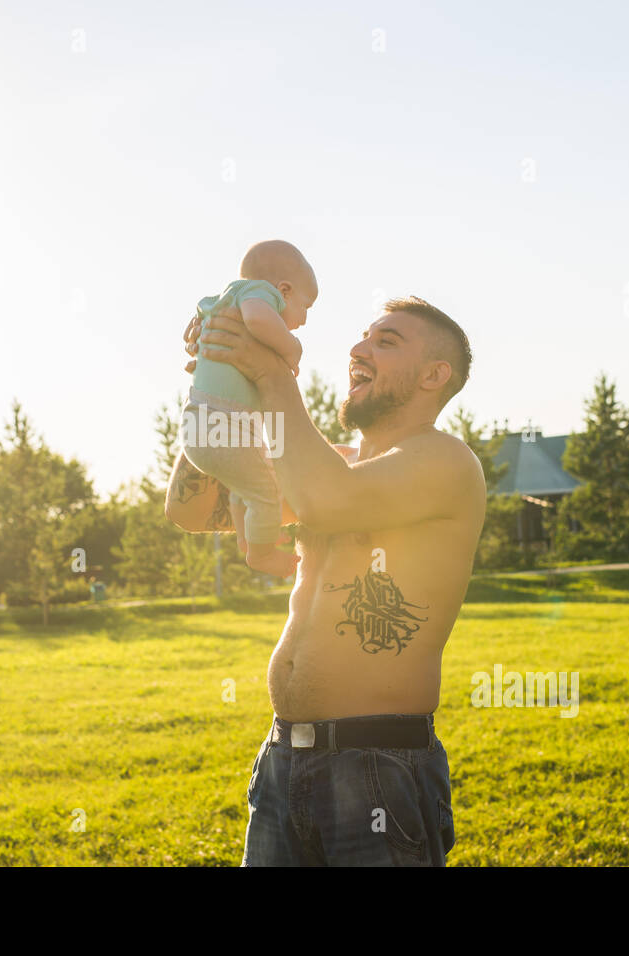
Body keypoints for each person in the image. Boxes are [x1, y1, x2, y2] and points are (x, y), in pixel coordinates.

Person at [165, 294, 486, 866]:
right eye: (363, 337)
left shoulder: (447, 463)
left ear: (435, 375)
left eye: (387, 342)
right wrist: (220, 395)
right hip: (283, 757)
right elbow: (192, 511)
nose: (359, 349)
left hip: (375, 768)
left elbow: (330, 500)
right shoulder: (323, 463)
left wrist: (267, 371)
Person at [182, 240, 318, 578]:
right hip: (223, 423)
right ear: (283, 290)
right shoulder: (259, 294)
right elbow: (259, 319)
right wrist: (292, 348)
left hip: (200, 422)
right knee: (267, 492)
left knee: (248, 485)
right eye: (306, 307)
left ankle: (247, 537)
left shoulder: (223, 300)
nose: (302, 320)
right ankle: (261, 555)